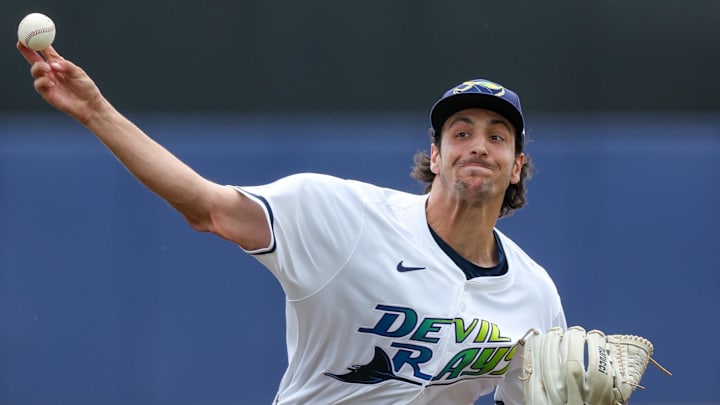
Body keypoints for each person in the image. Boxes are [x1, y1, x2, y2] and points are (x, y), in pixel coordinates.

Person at [18, 42, 566, 405]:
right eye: (461, 132)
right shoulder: (344, 217)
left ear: (517, 165)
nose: (478, 145)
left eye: (497, 136)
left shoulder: (534, 294)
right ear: (436, 156)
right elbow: (207, 207)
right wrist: (95, 111)